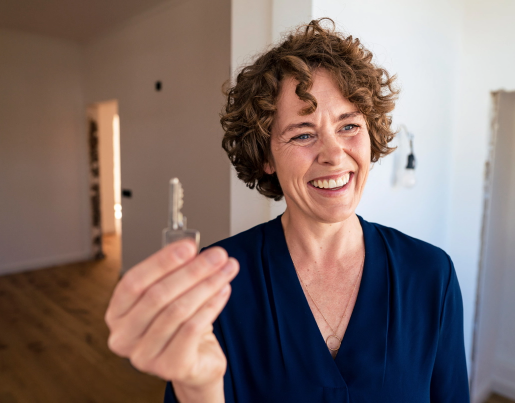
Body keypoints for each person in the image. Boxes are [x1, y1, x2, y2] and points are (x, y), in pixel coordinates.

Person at [104, 19, 470, 402]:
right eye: (303, 134)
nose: (333, 155)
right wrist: (199, 387)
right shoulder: (220, 282)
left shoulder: (431, 274)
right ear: (266, 156)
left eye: (349, 126)